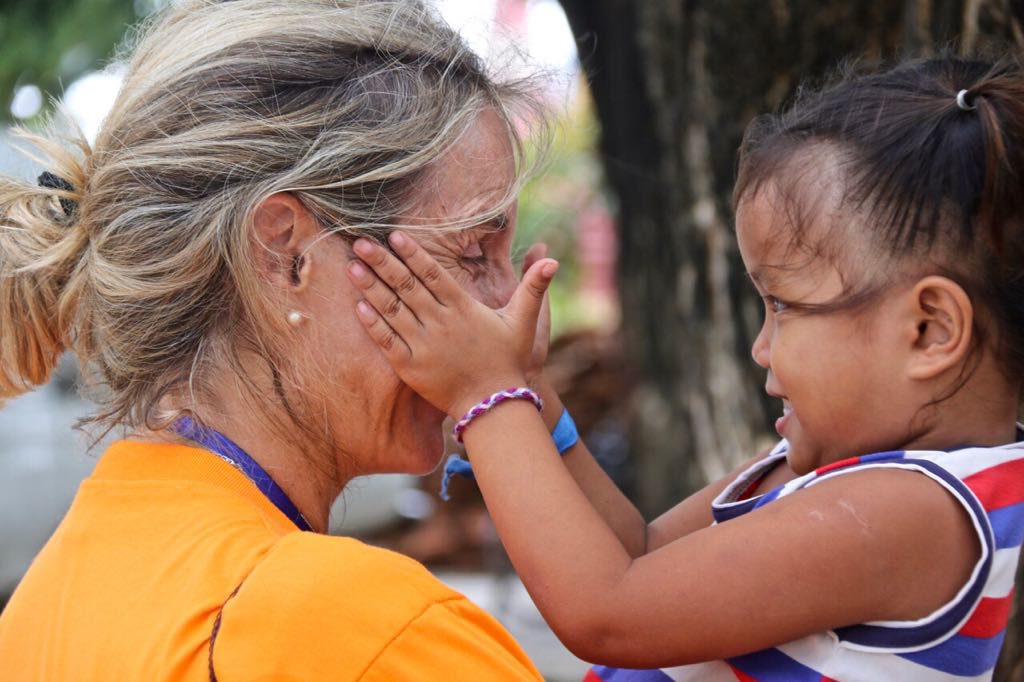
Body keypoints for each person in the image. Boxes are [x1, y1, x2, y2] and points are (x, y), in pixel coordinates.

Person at [348, 54, 1024, 680]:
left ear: (930, 329)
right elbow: (639, 557)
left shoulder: (916, 510)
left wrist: (486, 395)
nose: (761, 346)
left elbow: (608, 613)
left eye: (784, 307)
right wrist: (533, 396)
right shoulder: (833, 468)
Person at [0, 1, 553, 679]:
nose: (509, 310)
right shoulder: (369, 635)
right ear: (287, 254)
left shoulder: (41, 604)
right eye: (474, 254)